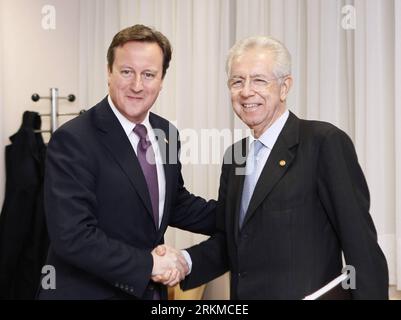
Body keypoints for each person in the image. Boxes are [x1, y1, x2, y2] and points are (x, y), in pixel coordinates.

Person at [154, 35, 389, 299]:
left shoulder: (323, 143)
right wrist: (185, 261)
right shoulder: (236, 157)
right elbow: (234, 242)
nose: (246, 91)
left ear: (285, 87)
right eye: (237, 81)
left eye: (259, 80)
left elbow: (362, 247)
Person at [37, 24, 216, 300]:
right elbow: (72, 236)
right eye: (126, 72)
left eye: (148, 75)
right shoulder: (73, 140)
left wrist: (241, 214)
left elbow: (173, 202)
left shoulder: (166, 133)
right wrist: (151, 265)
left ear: (161, 79)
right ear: (109, 73)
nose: (136, 85)